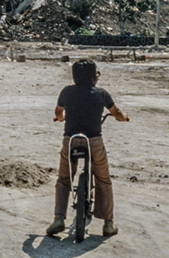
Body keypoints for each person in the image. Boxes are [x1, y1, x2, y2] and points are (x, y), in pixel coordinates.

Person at [47, 59, 128, 238]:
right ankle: (108, 224)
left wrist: (62, 118)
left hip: (72, 140)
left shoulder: (66, 92)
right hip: (93, 142)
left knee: (64, 179)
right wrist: (123, 118)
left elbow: (58, 113)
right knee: (103, 180)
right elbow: (117, 113)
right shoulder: (101, 93)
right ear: (94, 77)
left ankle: (59, 218)